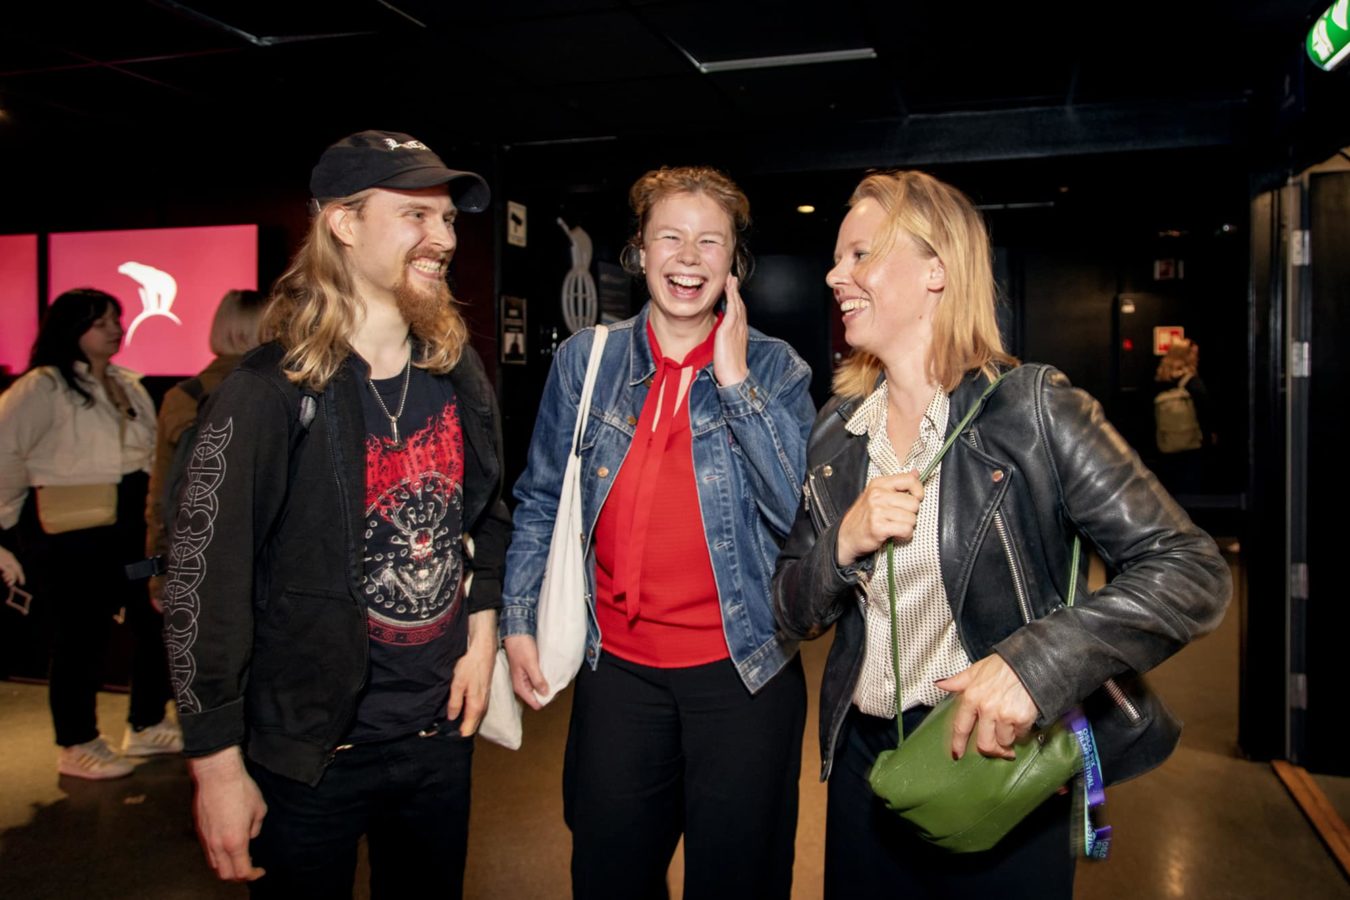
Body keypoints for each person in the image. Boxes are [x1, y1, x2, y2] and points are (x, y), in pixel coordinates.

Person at [770, 170, 1232, 899]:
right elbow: (789, 610)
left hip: (996, 760)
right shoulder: (838, 431)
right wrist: (843, 542)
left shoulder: (1035, 410)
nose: (834, 275)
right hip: (867, 764)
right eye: (837, 259)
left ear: (936, 271)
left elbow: (1190, 570)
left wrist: (1033, 666)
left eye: (859, 254)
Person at [161, 130, 511, 898]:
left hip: (435, 738)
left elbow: (488, 515)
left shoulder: (458, 371)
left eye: (448, 219)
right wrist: (216, 766)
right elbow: (201, 584)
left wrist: (481, 636)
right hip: (310, 755)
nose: (443, 238)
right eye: (416, 215)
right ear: (343, 224)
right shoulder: (265, 391)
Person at [502, 166, 816, 899]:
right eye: (669, 237)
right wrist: (519, 616)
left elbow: (797, 513)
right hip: (620, 674)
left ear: (733, 263)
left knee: (737, 881)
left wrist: (735, 382)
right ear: (638, 251)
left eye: (711, 242)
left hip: (743, 674)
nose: (688, 257)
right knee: (610, 874)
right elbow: (543, 496)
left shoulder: (777, 367)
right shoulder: (588, 360)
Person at [0, 288, 180, 779]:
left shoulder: (127, 383)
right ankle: (76, 741)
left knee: (153, 615)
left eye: (116, 319)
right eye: (102, 321)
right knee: (81, 633)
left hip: (131, 528)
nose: (116, 328)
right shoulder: (41, 387)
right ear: (73, 328)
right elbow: (5, 458)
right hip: (71, 535)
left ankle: (145, 723)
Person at [144, 288, 269, 609]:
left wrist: (161, 572)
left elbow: (163, 492)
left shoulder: (183, 397)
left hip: (202, 552)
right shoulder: (288, 389)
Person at [1152, 336, 1211, 496]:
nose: (1197, 358)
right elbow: (1204, 412)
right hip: (1190, 445)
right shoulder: (1193, 382)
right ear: (1186, 356)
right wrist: (1208, 436)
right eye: (1194, 354)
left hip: (1165, 444)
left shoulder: (1159, 380)